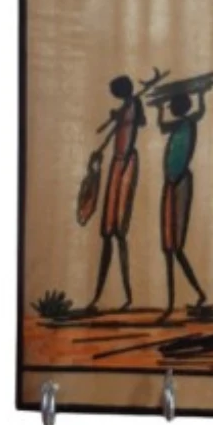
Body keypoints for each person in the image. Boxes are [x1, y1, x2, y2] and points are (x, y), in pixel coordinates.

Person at [87, 75, 145, 311]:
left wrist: (123, 116)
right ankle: (99, 296)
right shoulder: (125, 108)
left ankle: (127, 296)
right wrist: (118, 116)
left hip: (126, 164)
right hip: (116, 163)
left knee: (119, 232)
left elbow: (141, 122)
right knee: (107, 233)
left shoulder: (134, 104)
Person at [156, 90, 207, 321]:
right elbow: (161, 126)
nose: (171, 109)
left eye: (172, 106)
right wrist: (159, 110)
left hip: (180, 182)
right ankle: (174, 301)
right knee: (168, 248)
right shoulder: (178, 125)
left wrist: (201, 95)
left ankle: (189, 297)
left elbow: (201, 111)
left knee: (175, 247)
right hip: (170, 183)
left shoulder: (189, 123)